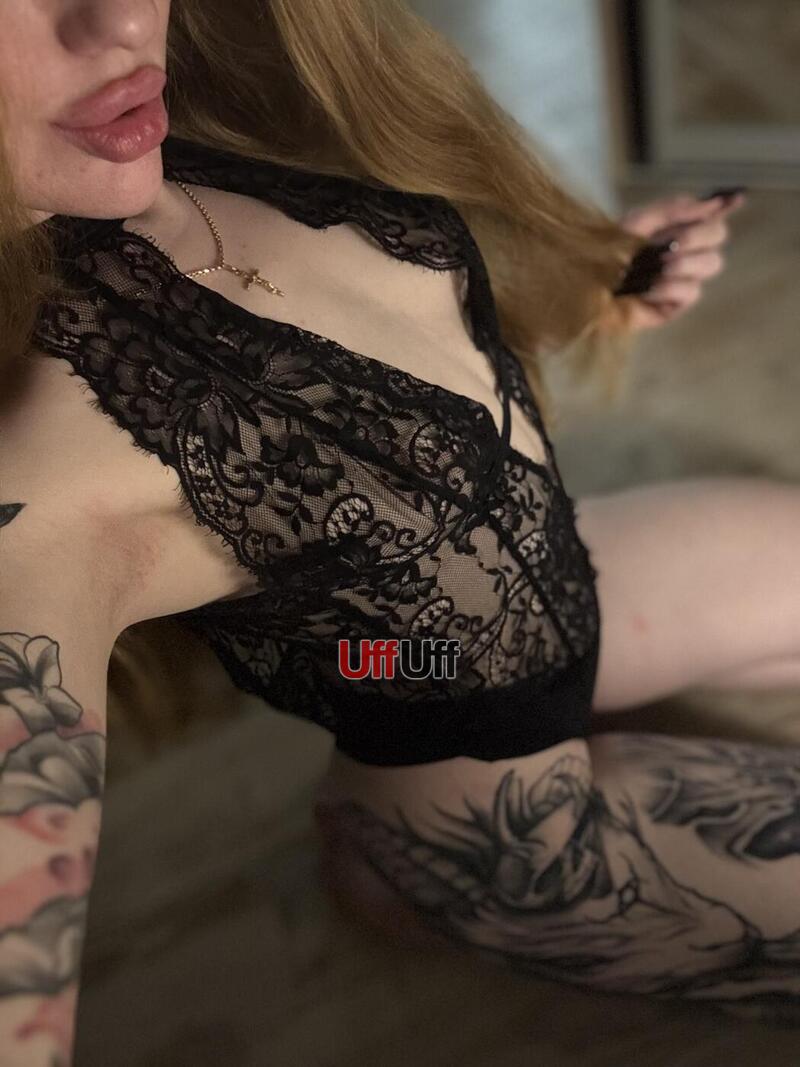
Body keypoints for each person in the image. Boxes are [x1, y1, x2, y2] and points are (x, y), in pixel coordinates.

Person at [0, 1, 795, 1063]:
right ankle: (404, 870)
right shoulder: (41, 491)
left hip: (488, 620)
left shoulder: (176, 112)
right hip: (518, 835)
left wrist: (587, 288)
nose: (122, 19)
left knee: (388, 655)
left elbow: (399, 346)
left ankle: (393, 758)